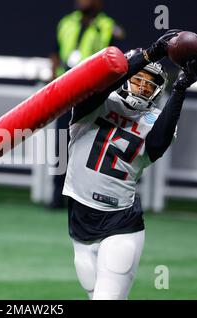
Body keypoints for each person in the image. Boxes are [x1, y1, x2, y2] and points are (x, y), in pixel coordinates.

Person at [62, 30, 197, 299]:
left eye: (149, 84)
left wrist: (181, 88)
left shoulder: (155, 121)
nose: (142, 88)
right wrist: (147, 55)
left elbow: (158, 145)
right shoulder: (96, 104)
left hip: (120, 223)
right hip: (80, 224)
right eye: (138, 80)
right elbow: (97, 86)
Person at [49, 0, 125, 209]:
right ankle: (57, 195)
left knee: (87, 145)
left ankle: (83, 199)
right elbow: (55, 53)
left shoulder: (109, 26)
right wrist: (52, 82)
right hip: (64, 93)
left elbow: (116, 62)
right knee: (61, 144)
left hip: (91, 96)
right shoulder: (66, 22)